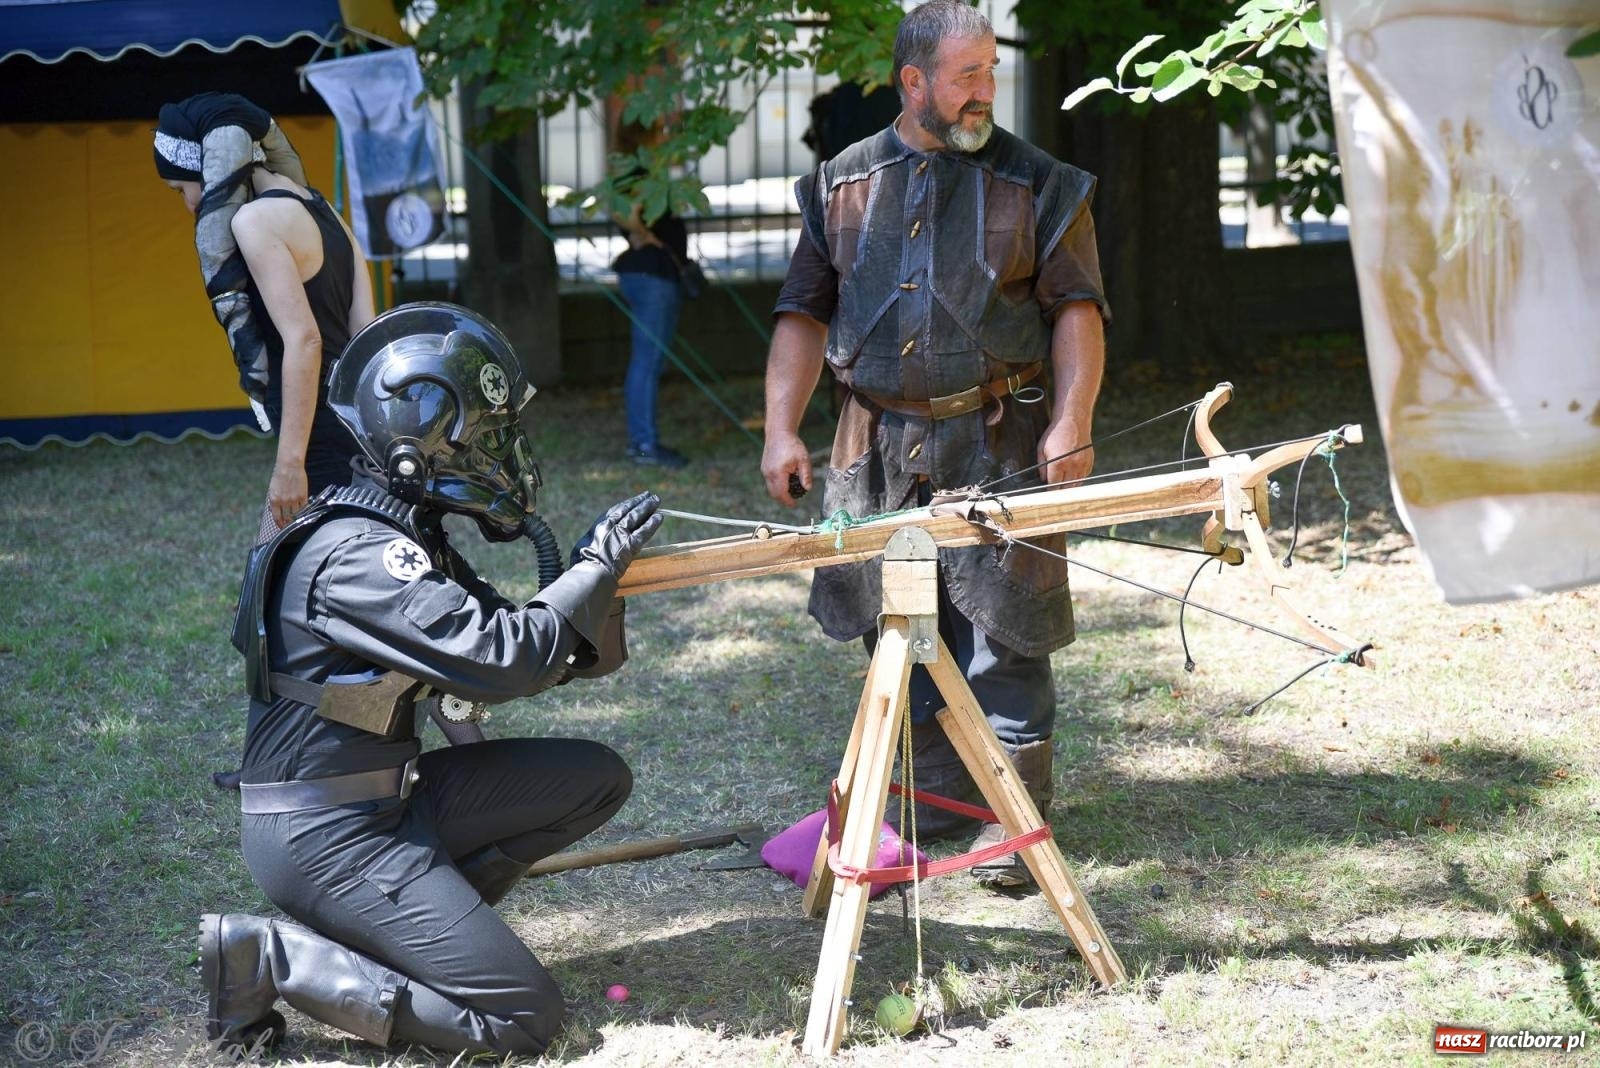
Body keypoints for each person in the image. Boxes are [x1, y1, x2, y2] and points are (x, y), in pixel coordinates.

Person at [200, 302, 663, 1056]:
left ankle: (413, 938)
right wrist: (591, 570)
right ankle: (270, 958)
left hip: (392, 804)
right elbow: (506, 657)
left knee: (594, 777)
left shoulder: (403, 533)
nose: (500, 453)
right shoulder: (355, 555)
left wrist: (601, 584)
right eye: (482, 438)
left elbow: (549, 658)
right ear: (413, 445)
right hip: (326, 835)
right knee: (525, 1022)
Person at [759, 1, 1109, 889]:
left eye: (991, 71)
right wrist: (778, 428)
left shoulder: (1040, 183)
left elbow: (1078, 310)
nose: (985, 91)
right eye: (966, 76)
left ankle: (1014, 837)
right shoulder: (839, 184)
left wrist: (1072, 422)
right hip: (872, 445)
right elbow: (802, 313)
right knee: (900, 635)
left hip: (1002, 439)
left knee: (1004, 640)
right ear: (913, 82)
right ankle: (926, 812)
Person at [154, 92, 376, 539]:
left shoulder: (253, 222)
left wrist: (291, 465)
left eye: (182, 188)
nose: (190, 205)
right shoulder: (325, 209)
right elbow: (366, 334)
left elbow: (305, 340)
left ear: (206, 167)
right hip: (360, 427)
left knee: (283, 586)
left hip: (317, 438)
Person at [609, 118, 691, 469]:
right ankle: (643, 443)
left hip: (657, 276)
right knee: (646, 362)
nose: (665, 137)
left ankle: (644, 440)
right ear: (644, 137)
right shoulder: (634, 174)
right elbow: (623, 212)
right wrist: (644, 233)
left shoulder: (642, 173)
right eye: (659, 131)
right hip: (650, 276)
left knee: (651, 362)